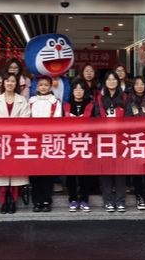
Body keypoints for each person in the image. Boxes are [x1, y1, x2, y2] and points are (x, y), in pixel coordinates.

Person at [0, 72, 31, 214]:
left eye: (13, 81)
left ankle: (12, 200)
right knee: (1, 172)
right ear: (3, 83)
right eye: (7, 81)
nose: (10, 84)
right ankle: (3, 201)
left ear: (16, 84)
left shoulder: (22, 100)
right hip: (0, 141)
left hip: (17, 141)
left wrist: (13, 130)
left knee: (15, 172)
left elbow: (25, 119)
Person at [29, 75, 63, 213]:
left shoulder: (55, 102)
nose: (43, 87)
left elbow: (57, 120)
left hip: (49, 140)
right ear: (37, 86)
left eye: (46, 85)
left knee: (48, 172)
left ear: (50, 87)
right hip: (33, 141)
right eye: (41, 85)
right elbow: (27, 119)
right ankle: (36, 201)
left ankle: (46, 200)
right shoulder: (31, 101)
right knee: (35, 172)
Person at [94, 70, 127, 212]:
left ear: (118, 82)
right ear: (105, 82)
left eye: (114, 79)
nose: (111, 82)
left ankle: (120, 201)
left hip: (120, 139)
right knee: (105, 171)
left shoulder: (124, 98)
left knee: (120, 171)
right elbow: (96, 117)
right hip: (104, 140)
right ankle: (108, 201)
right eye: (109, 79)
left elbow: (129, 118)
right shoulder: (99, 99)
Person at [63, 79, 95, 212]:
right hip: (70, 144)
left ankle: (84, 199)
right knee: (71, 174)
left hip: (86, 144)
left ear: (85, 91)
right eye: (75, 89)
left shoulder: (91, 106)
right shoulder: (66, 106)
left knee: (84, 174)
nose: (78, 91)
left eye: (81, 89)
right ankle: (73, 199)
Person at [124, 76, 145, 211]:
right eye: (136, 84)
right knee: (137, 169)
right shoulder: (129, 100)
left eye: (142, 84)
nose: (139, 86)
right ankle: (139, 196)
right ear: (133, 86)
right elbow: (126, 120)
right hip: (135, 138)